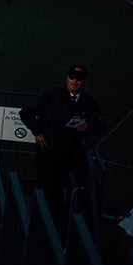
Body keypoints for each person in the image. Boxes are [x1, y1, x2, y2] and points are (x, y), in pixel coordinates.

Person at [19, 65, 106, 222]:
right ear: (67, 78)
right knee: (49, 190)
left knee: (84, 188)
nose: (74, 81)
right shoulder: (52, 95)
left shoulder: (88, 102)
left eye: (78, 79)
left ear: (85, 81)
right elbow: (26, 112)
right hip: (49, 153)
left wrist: (87, 127)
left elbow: (102, 125)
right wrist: (37, 132)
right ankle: (43, 223)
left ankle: (64, 223)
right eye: (72, 77)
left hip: (73, 155)